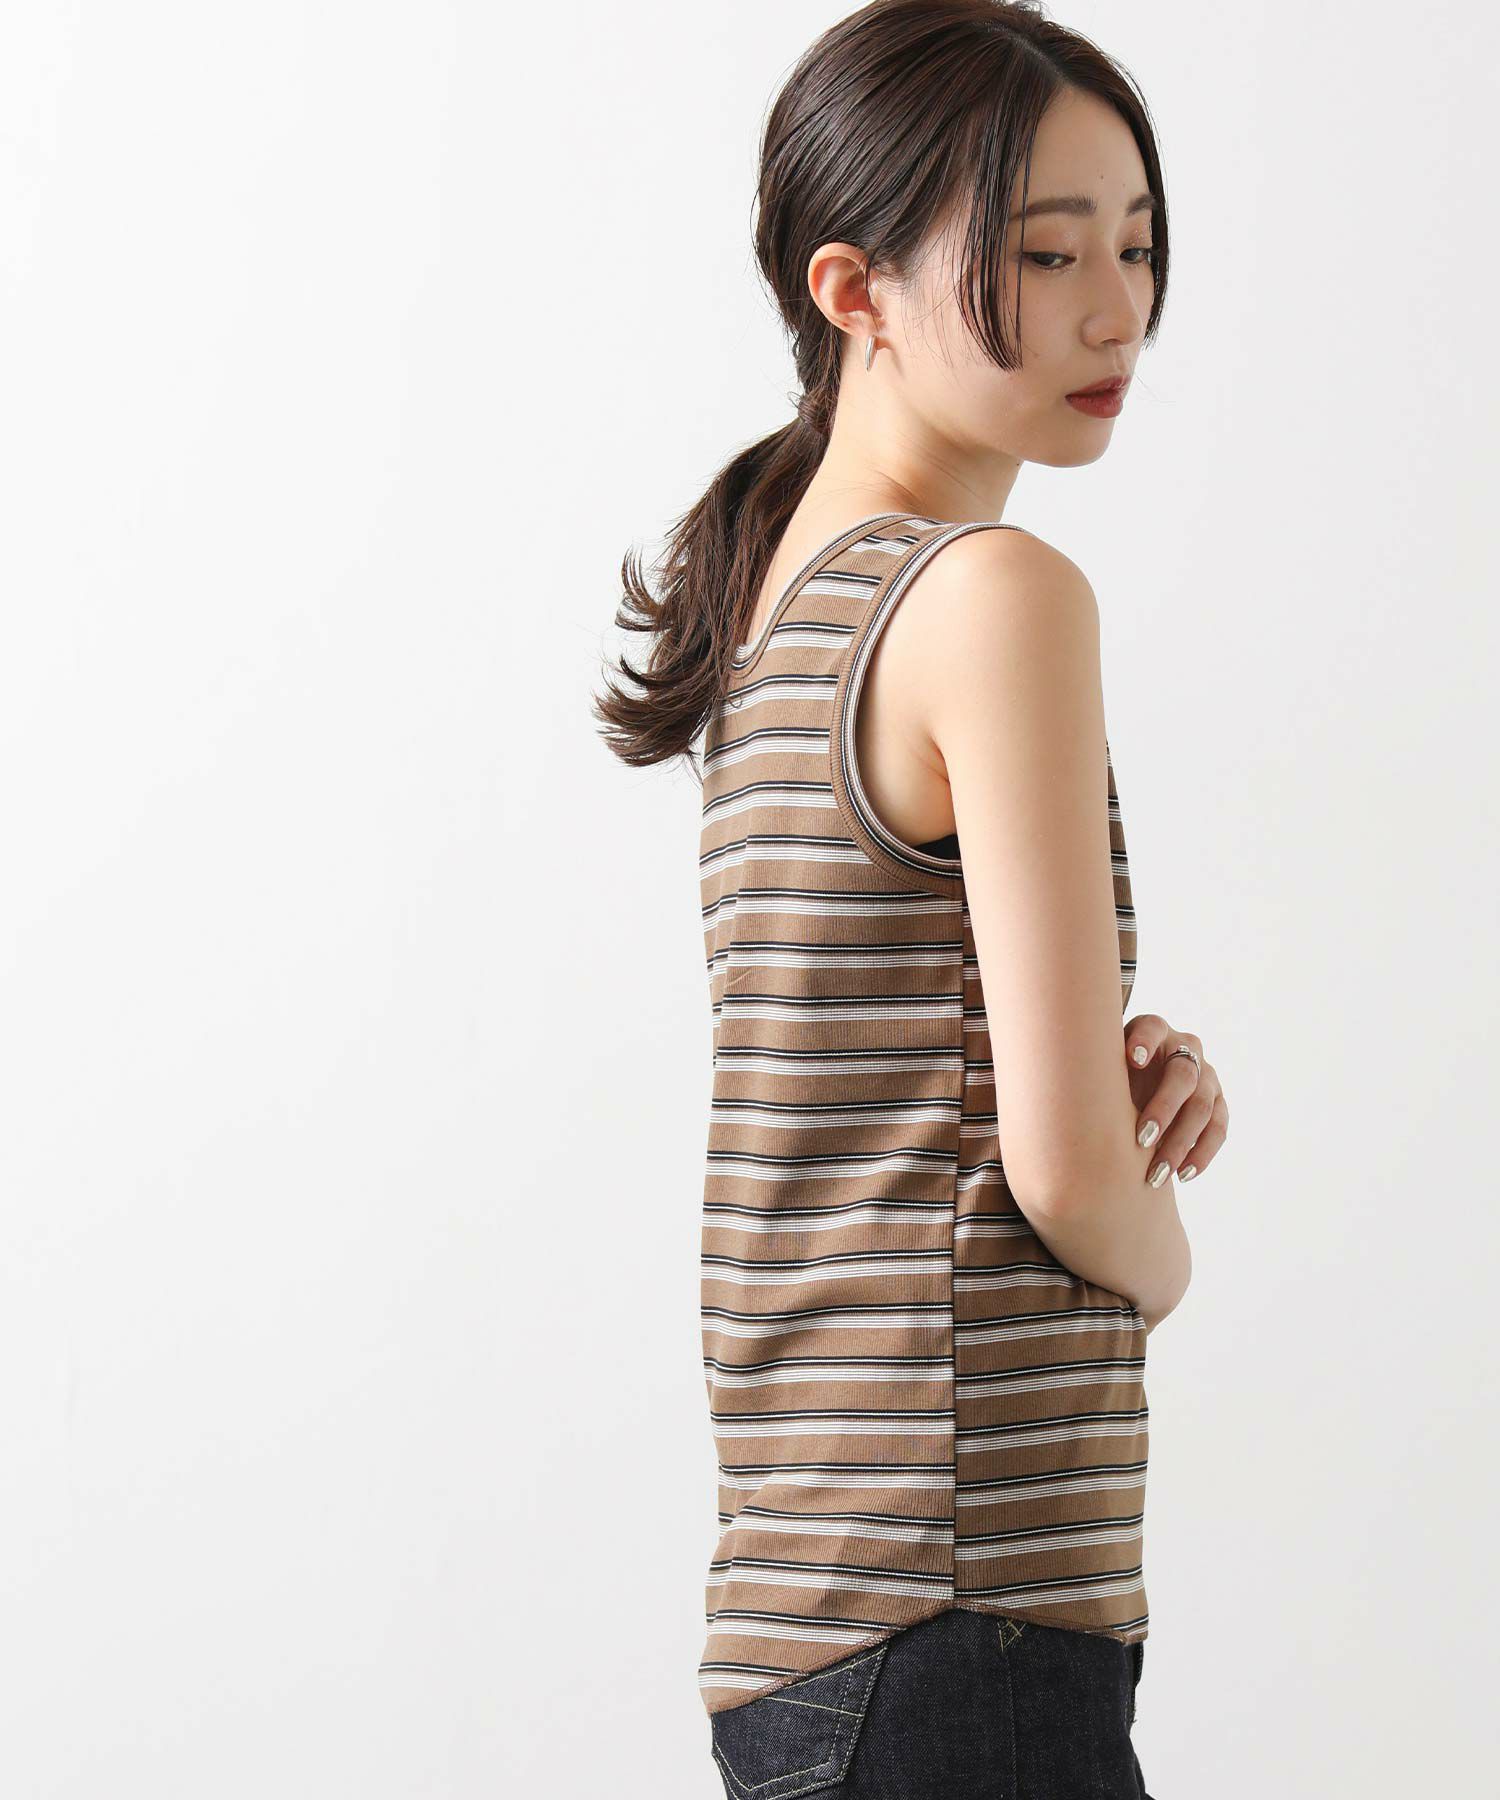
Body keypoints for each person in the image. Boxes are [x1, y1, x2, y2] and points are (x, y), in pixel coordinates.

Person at [594, 3, 1228, 1793]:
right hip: (962, 1622)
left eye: (1136, 246)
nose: (1114, 310)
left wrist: (1097, 1081)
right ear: (852, 289)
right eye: (1044, 253)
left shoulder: (779, 609)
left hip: (821, 1635)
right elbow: (1066, 1178)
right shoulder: (989, 594)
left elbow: (913, 1089)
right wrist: (1154, 1251)